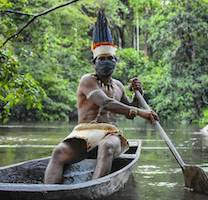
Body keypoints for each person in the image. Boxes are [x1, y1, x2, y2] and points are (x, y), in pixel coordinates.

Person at [44, 10, 158, 184]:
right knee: (59, 151)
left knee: (107, 146)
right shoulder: (87, 80)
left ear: (115, 61)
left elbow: (128, 108)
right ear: (94, 62)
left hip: (111, 134)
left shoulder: (118, 85)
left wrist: (139, 92)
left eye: (109, 58)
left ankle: (92, 188)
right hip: (84, 133)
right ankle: (49, 192)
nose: (106, 61)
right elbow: (106, 103)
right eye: (102, 58)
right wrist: (141, 112)